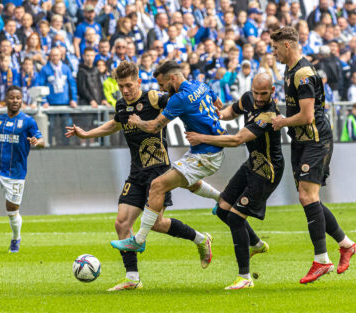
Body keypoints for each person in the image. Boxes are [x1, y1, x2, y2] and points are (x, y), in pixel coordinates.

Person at [66, 61, 221, 291]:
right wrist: (87, 134)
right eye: (121, 86)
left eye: (129, 85)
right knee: (121, 224)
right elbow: (113, 125)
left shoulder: (154, 98)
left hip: (158, 169)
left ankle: (200, 238)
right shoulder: (121, 105)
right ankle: (132, 278)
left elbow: (181, 102)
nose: (125, 90)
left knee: (157, 224)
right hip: (136, 172)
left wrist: (204, 123)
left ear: (138, 81)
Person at [110, 61, 227, 261]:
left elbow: (155, 126)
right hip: (200, 151)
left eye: (163, 85)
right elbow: (216, 100)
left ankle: (139, 239)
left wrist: (138, 122)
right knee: (185, 181)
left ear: (172, 78)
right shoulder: (201, 85)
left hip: (204, 152)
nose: (162, 89)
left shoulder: (175, 98)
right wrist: (217, 105)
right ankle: (223, 200)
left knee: (159, 186)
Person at [270, 26, 356, 284]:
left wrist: (282, 122)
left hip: (316, 141)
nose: (273, 52)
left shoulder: (303, 74)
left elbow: (307, 116)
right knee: (309, 198)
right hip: (301, 141)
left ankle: (322, 259)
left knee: (307, 196)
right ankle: (346, 244)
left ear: (287, 46)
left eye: (275, 48)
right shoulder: (289, 70)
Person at [185, 73, 284, 290]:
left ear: (272, 91)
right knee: (222, 210)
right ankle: (256, 244)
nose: (258, 97)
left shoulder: (268, 115)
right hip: (253, 164)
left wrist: (202, 138)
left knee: (236, 217)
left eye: (264, 94)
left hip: (267, 170)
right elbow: (231, 112)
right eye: (256, 92)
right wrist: (216, 113)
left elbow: (237, 139)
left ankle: (245, 277)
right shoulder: (248, 98)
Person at [0, 85, 45, 253]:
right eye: (12, 97)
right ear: (6, 100)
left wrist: (37, 143)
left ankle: (15, 239)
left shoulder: (28, 121)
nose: (15, 100)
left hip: (16, 174)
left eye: (18, 98)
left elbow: (42, 141)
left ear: (22, 101)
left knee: (12, 212)